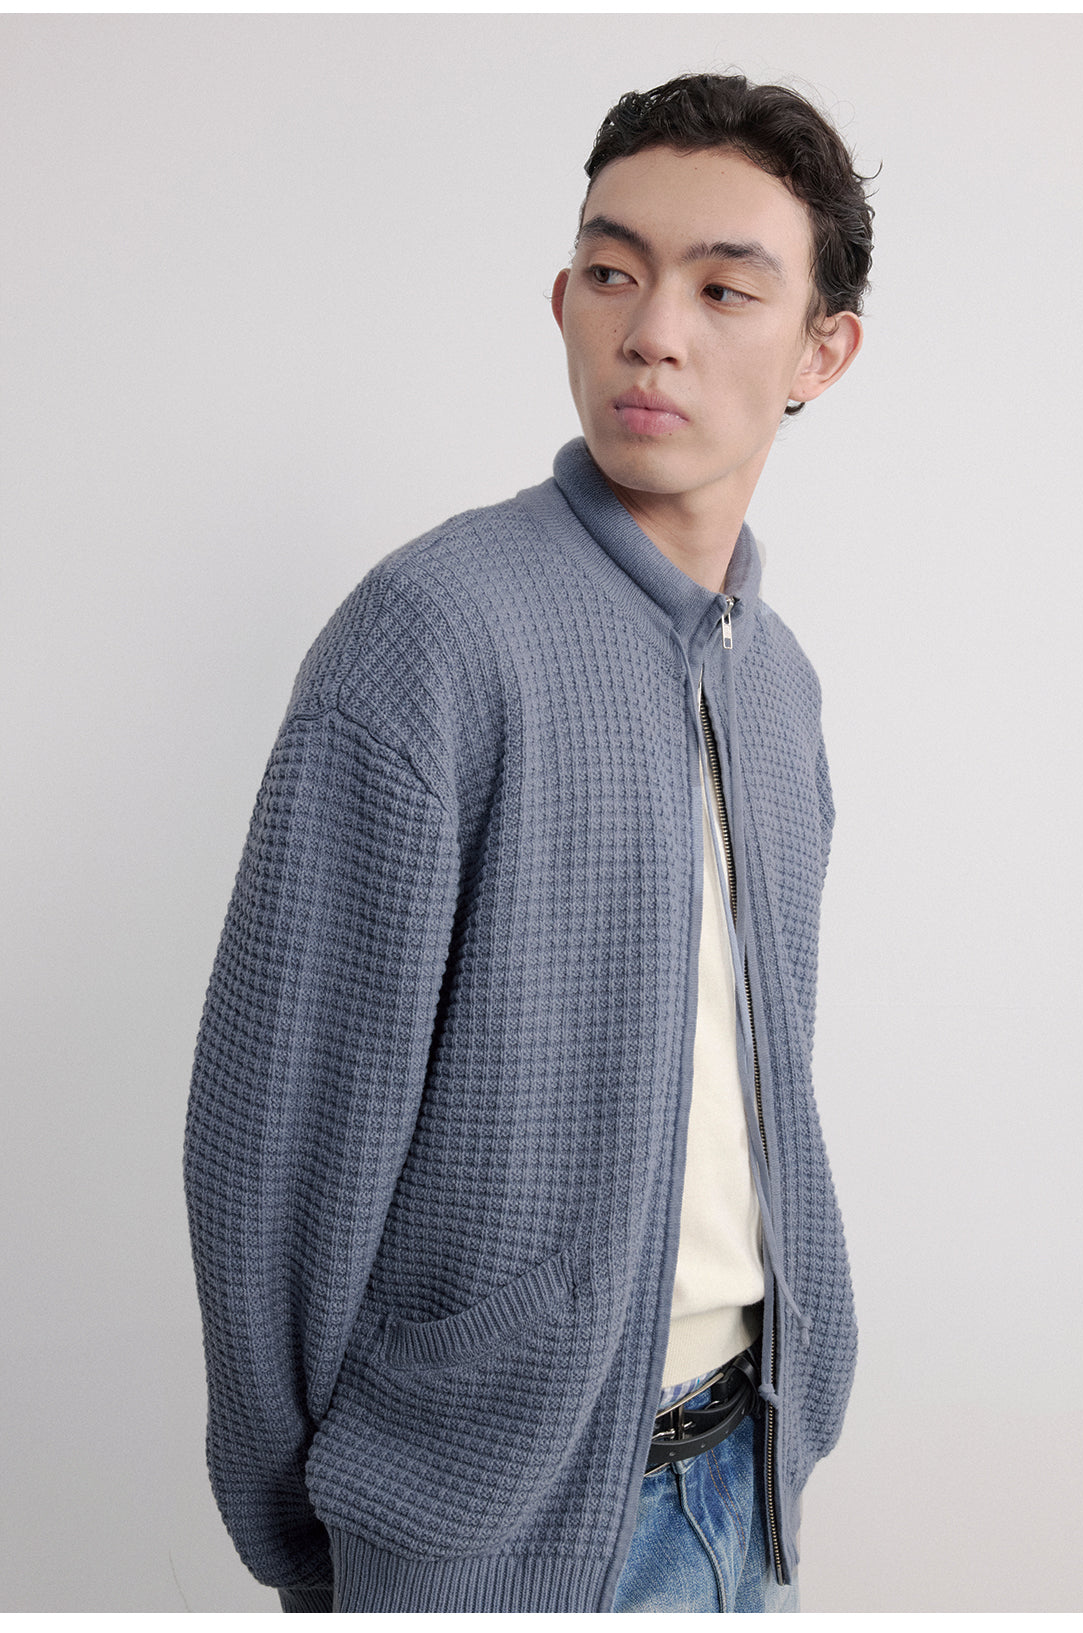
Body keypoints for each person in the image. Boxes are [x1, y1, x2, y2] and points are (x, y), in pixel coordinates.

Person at [184, 71, 873, 1615]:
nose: (653, 330)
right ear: (564, 301)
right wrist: (328, 1533)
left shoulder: (781, 688)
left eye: (723, 289)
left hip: (744, 1486)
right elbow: (273, 1149)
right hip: (482, 1536)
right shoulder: (431, 637)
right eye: (613, 272)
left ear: (821, 350)